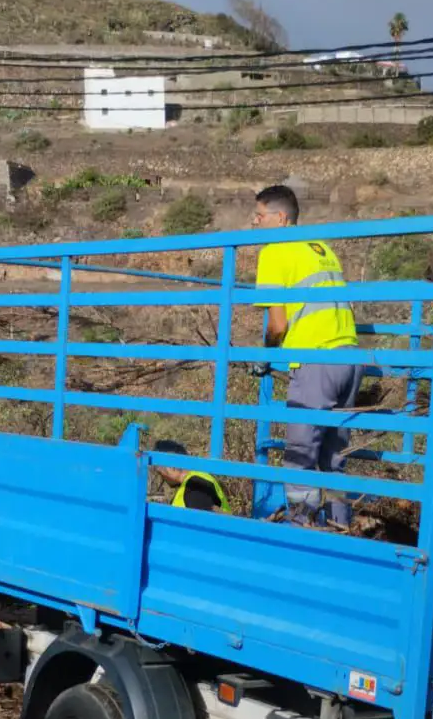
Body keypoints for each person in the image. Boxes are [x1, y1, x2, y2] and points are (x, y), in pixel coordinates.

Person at [252, 184, 360, 526]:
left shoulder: (275, 251)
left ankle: (302, 531)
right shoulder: (320, 246)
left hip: (317, 360)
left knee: (300, 457)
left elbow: (278, 325)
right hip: (351, 357)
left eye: (259, 215)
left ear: (281, 218)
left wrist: (264, 354)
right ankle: (343, 527)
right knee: (334, 457)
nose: (254, 223)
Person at [150, 439, 227, 511]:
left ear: (171, 465)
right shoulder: (191, 483)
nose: (162, 477)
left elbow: (200, 522)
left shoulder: (195, 485)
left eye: (160, 473)